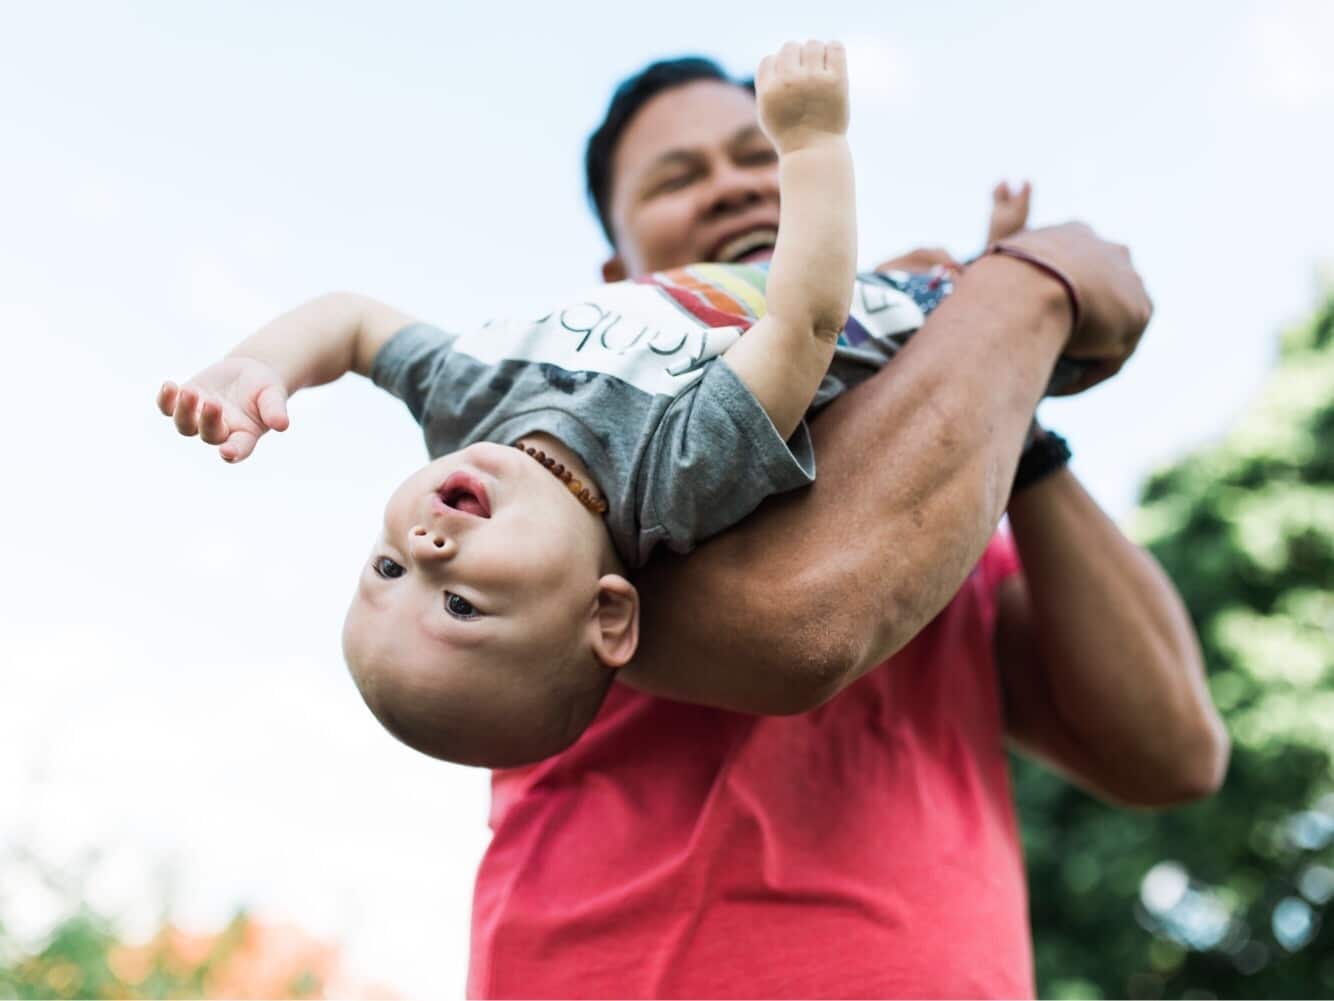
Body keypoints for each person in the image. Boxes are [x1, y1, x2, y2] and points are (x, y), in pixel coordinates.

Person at [462, 56, 1231, 998]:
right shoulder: (570, 438)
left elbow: (1174, 749)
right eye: (678, 177)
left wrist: (991, 378)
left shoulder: (929, 482)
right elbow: (798, 631)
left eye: (763, 153)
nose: (733, 185)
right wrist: (1026, 292)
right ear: (620, 274)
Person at [156, 41, 1043, 770]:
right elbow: (805, 322)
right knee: (952, 283)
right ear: (608, 614)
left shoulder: (466, 400)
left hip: (766, 280)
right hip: (921, 319)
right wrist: (809, 144)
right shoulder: (674, 470)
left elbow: (351, 322)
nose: (423, 550)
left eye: (386, 572)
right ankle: (991, 257)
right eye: (460, 604)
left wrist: (254, 363)